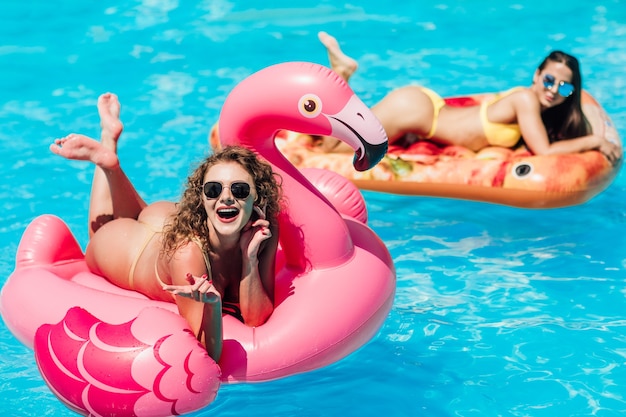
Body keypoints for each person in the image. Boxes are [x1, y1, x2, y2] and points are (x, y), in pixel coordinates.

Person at [49, 93, 283, 362]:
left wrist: (250, 259)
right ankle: (107, 155)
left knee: (143, 217)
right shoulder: (188, 255)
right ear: (202, 198)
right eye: (214, 189)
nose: (226, 198)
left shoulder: (263, 229)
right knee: (98, 236)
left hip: (168, 218)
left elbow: (256, 320)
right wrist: (212, 307)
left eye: (240, 190)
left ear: (257, 199)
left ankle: (111, 162)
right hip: (134, 251)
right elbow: (208, 353)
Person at [315, 31, 621, 165]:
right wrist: (594, 142)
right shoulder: (527, 100)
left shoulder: (530, 104)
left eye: (565, 88)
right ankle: (341, 74)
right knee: (330, 147)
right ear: (537, 75)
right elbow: (544, 151)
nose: (554, 90)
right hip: (417, 111)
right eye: (550, 80)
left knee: (344, 139)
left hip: (426, 112)